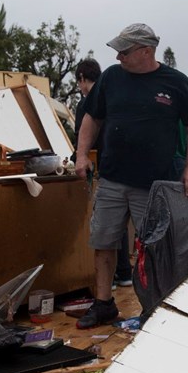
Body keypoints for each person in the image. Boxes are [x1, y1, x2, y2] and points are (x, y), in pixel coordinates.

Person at [74, 23, 188, 328]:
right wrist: (81, 155)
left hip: (154, 184)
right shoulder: (110, 78)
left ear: (146, 51)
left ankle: (152, 307)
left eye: (125, 51)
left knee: (152, 247)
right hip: (112, 179)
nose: (118, 56)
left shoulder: (176, 83)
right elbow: (93, 118)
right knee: (104, 241)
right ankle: (104, 303)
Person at [74, 58, 133, 288]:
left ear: (81, 79)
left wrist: (79, 156)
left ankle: (109, 280)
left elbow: (83, 135)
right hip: (122, 164)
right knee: (120, 220)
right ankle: (124, 272)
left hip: (102, 167)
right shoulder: (115, 94)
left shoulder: (89, 102)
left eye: (79, 82)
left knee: (106, 225)